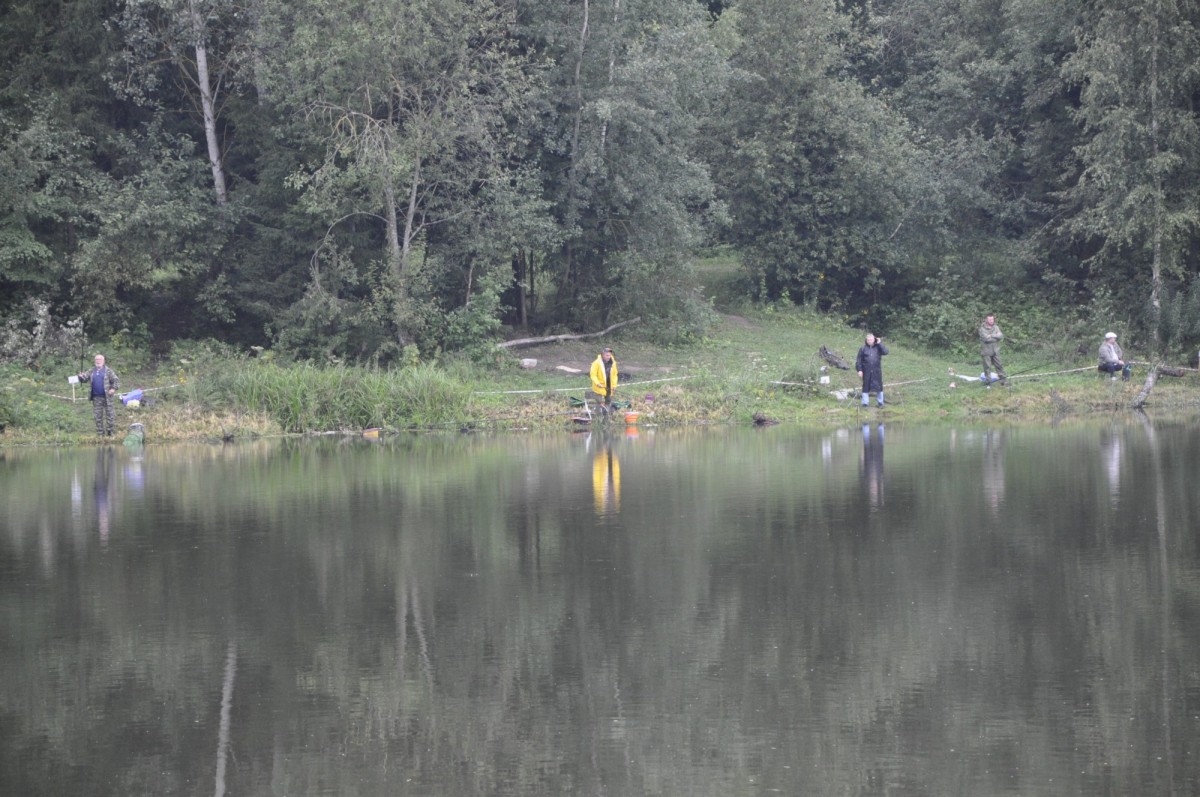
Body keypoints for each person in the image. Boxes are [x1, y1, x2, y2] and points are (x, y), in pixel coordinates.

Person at [78, 353, 120, 436]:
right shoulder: (91, 371)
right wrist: (80, 377)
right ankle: (100, 433)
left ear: (103, 361)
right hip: (96, 397)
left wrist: (113, 389)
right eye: (96, 360)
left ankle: (110, 432)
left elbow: (116, 381)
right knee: (98, 417)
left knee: (110, 415)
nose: (98, 361)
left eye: (100, 360)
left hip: (108, 397)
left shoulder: (108, 371)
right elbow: (84, 379)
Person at [854, 333, 888, 407]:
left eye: (871, 339)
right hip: (866, 371)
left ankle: (880, 403)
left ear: (874, 339)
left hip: (876, 371)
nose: (870, 341)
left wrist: (880, 343)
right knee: (865, 386)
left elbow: (885, 352)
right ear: (866, 340)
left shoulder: (878, 347)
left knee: (879, 386)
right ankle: (865, 403)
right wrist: (859, 370)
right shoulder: (863, 348)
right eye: (868, 340)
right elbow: (858, 360)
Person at [978, 314, 1009, 386]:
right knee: (987, 368)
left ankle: (1003, 381)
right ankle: (989, 382)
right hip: (986, 352)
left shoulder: (996, 327)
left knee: (999, 366)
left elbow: (1000, 336)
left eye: (992, 319)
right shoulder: (982, 329)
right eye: (990, 320)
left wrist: (991, 335)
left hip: (995, 351)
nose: (991, 321)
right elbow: (986, 339)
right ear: (986, 320)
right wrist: (995, 336)